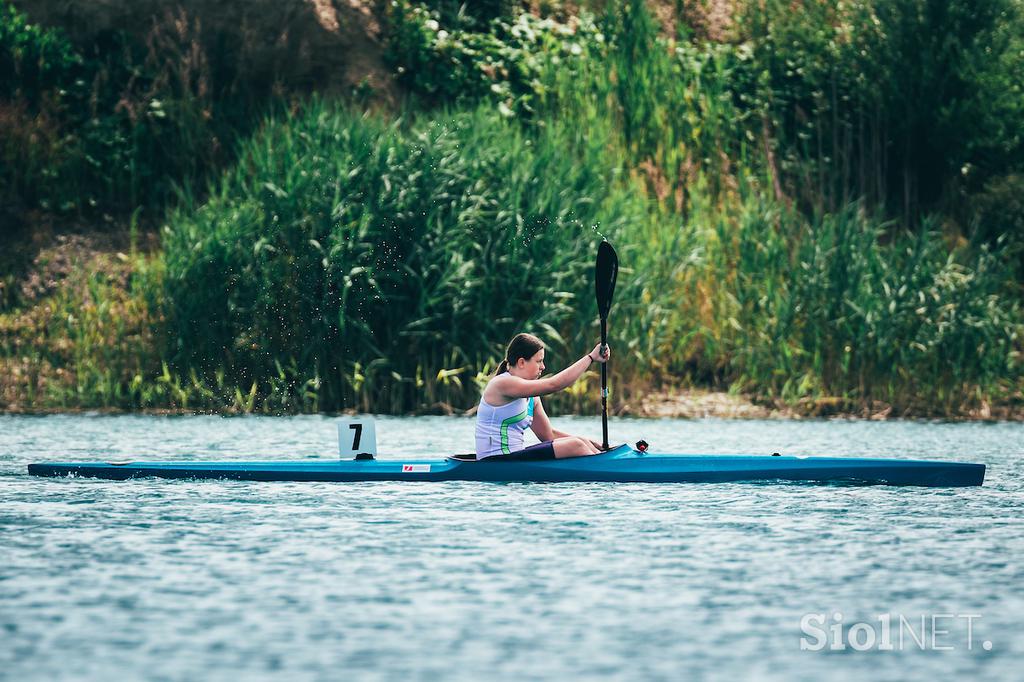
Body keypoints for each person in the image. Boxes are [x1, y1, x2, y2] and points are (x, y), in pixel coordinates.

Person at [474, 333, 610, 460]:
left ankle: (607, 462)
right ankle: (607, 469)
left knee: (580, 442)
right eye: (539, 361)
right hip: (494, 462)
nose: (543, 367)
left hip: (514, 459)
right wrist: (591, 358)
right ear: (521, 362)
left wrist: (587, 442)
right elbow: (554, 385)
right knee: (576, 445)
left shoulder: (532, 397)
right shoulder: (502, 383)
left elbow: (548, 435)